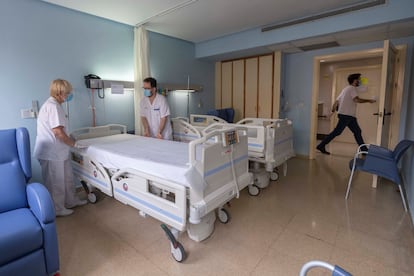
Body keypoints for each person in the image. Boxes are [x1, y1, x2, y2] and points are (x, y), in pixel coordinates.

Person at [34, 79, 87, 217]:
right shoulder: (52, 106)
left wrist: (71, 140)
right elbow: (58, 132)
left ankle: (71, 201)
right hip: (51, 153)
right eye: (67, 93)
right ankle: (57, 209)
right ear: (59, 92)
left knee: (67, 178)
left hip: (59, 151)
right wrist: (74, 144)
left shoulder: (56, 105)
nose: (69, 95)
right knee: (55, 182)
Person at [316, 73, 376, 155]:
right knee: (337, 132)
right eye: (359, 79)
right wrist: (369, 100)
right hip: (346, 115)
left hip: (348, 115)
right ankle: (321, 145)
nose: (360, 81)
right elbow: (356, 100)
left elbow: (336, 102)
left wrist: (333, 112)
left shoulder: (345, 89)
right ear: (355, 80)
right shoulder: (352, 88)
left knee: (357, 131)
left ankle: (364, 150)